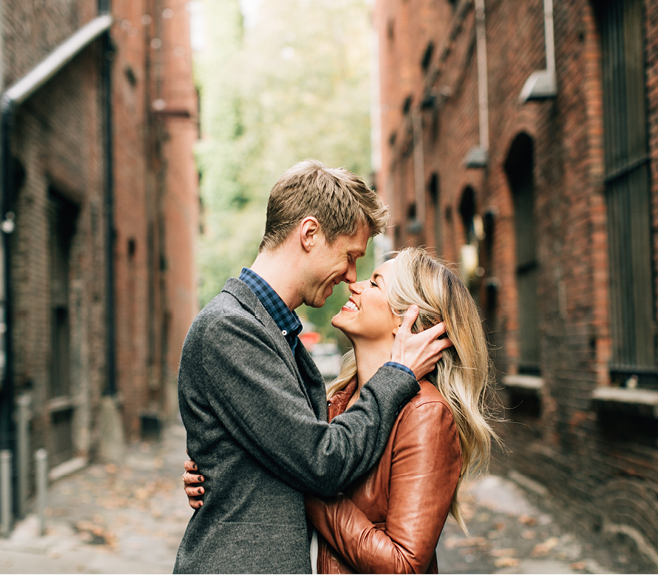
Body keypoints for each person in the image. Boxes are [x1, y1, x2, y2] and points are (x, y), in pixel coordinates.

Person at [174, 160, 451, 574]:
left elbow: (296, 445)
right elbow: (320, 461)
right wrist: (398, 375)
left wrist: (225, 462)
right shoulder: (231, 328)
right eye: (350, 256)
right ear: (309, 234)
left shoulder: (275, 333)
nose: (350, 276)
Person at [184, 247, 497, 573]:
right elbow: (298, 450)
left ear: (408, 319)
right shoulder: (334, 399)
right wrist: (225, 469)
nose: (355, 284)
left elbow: (404, 565)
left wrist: (305, 481)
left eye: (375, 283)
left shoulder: (425, 413)